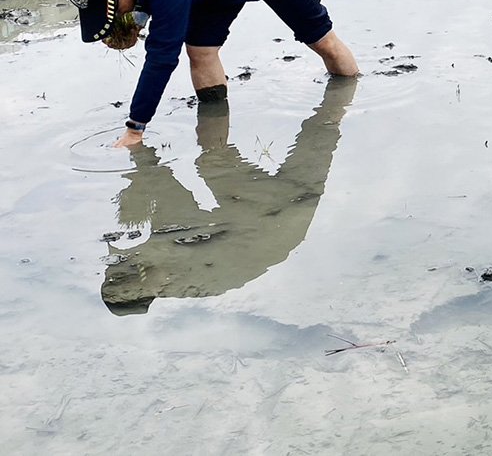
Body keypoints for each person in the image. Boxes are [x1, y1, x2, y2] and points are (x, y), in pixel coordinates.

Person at [62, 0, 359, 147]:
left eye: (114, 8)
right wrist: (134, 22)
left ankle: (347, 103)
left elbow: (162, 57)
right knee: (201, 52)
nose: (116, 14)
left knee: (321, 40)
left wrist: (135, 129)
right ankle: (216, 146)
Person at [101, 76, 357, 314]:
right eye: (127, 263)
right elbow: (162, 183)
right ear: (147, 281)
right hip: (281, 212)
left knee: (217, 160)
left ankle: (342, 88)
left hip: (282, 212)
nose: (128, 254)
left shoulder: (173, 260)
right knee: (215, 160)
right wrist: (139, 156)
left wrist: (138, 157)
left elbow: (161, 182)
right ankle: (343, 86)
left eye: (121, 262)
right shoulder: (177, 260)